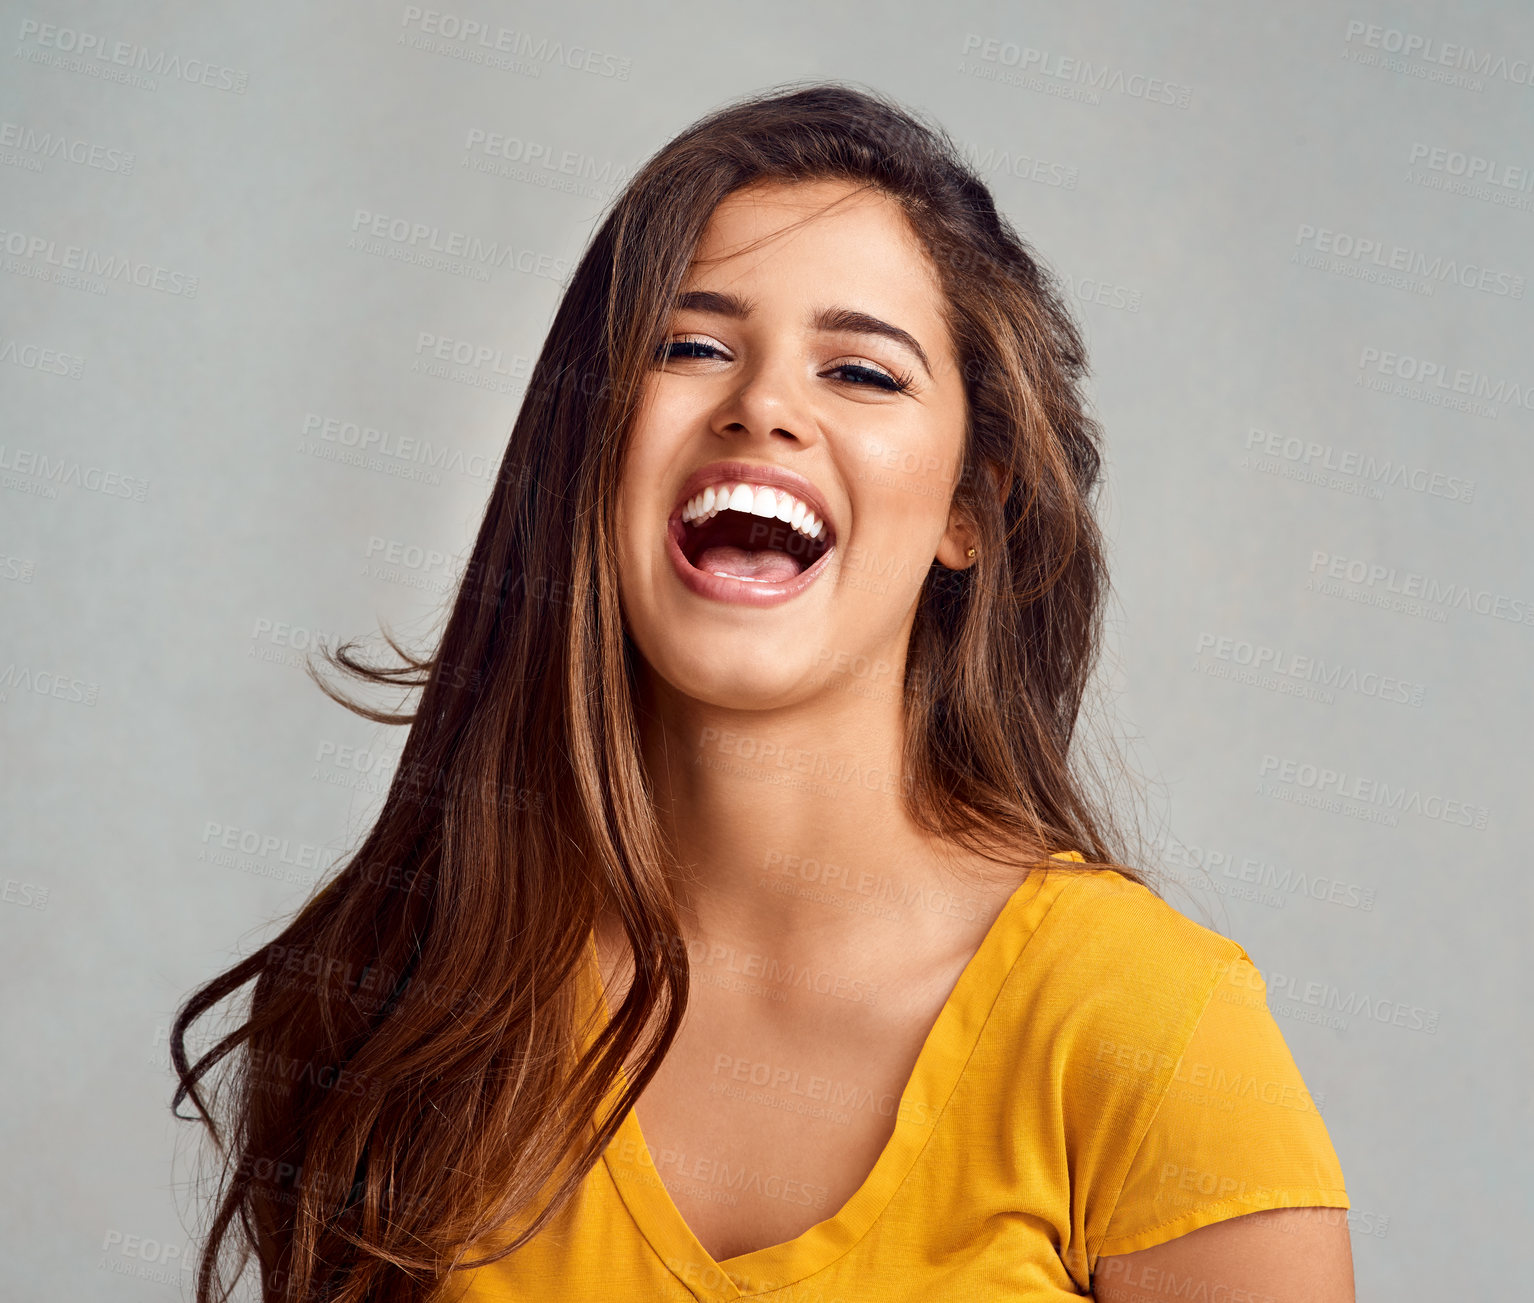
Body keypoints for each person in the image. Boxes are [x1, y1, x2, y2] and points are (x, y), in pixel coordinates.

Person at [172, 82, 1354, 1302]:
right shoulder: (400, 998)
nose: (763, 407)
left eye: (862, 371)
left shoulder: (1155, 1029)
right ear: (586, 448)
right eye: (689, 346)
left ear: (968, 509)